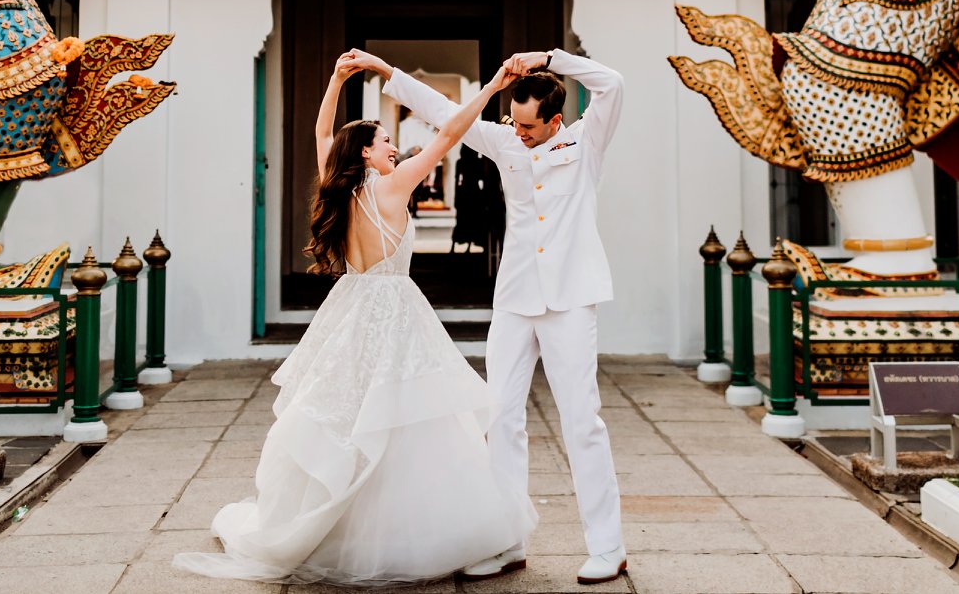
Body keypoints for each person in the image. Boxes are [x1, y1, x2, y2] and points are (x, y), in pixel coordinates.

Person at [174, 53, 532, 586]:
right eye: (385, 141)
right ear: (365, 151)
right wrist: (493, 86)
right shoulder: (394, 185)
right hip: (395, 311)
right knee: (409, 417)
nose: (395, 147)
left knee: (349, 416)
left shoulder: (337, 186)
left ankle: (343, 526)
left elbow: (323, 133)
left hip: (350, 308)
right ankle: (424, 532)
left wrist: (336, 79)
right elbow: (451, 132)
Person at [362, 47, 628, 586]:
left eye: (529, 126)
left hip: (571, 297)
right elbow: (444, 112)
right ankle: (506, 542)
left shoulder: (587, 139)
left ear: (555, 120)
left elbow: (613, 83)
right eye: (515, 123)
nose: (520, 133)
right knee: (501, 418)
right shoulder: (504, 141)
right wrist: (388, 73)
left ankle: (608, 546)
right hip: (515, 298)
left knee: (582, 420)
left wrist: (550, 57)